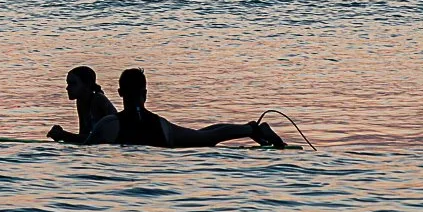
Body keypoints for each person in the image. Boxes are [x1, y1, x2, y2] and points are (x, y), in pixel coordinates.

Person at [113, 68, 286, 148]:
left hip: (158, 128)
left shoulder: (110, 124)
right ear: (145, 93)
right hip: (160, 127)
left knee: (205, 138)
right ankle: (250, 128)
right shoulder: (157, 123)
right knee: (203, 136)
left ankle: (252, 129)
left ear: (120, 92)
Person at [47, 66, 119, 143]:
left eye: (73, 84)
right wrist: (62, 134)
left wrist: (64, 135)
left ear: (86, 85)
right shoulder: (80, 101)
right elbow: (84, 135)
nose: (67, 88)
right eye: (68, 83)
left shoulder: (98, 99)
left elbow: (98, 138)